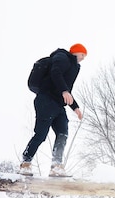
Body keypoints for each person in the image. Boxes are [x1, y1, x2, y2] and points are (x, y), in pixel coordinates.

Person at [18, 43, 87, 177]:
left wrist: (75, 107)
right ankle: (25, 163)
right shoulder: (62, 57)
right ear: (76, 52)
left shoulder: (74, 67)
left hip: (58, 105)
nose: (84, 58)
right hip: (46, 100)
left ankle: (56, 166)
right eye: (83, 55)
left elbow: (67, 91)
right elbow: (56, 72)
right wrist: (64, 90)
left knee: (63, 133)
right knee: (41, 134)